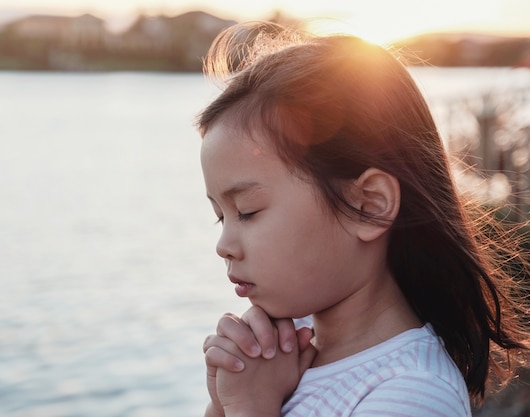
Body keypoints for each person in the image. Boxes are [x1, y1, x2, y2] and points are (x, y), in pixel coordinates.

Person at [195, 21, 530, 417]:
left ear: (369, 205)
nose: (224, 246)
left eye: (247, 212)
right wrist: (224, 398)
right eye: (221, 216)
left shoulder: (414, 392)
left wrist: (250, 406)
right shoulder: (281, 358)